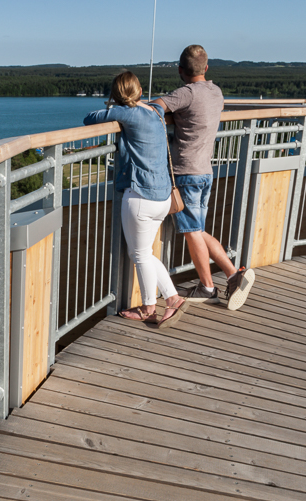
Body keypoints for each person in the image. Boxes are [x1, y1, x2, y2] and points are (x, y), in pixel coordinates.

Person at [151, 45, 255, 311]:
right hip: (206, 172)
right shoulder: (215, 91)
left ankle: (209, 287)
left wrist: (172, 116)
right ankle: (233, 275)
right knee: (196, 229)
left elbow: (153, 109)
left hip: (185, 172)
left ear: (180, 70)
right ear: (206, 68)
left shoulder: (184, 93)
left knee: (192, 231)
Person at [84, 71, 188, 328]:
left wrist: (113, 106)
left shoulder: (125, 113)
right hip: (163, 196)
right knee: (145, 252)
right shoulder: (155, 111)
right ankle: (173, 298)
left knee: (139, 254)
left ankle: (149, 307)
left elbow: (90, 119)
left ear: (117, 97)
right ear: (140, 92)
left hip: (141, 195)